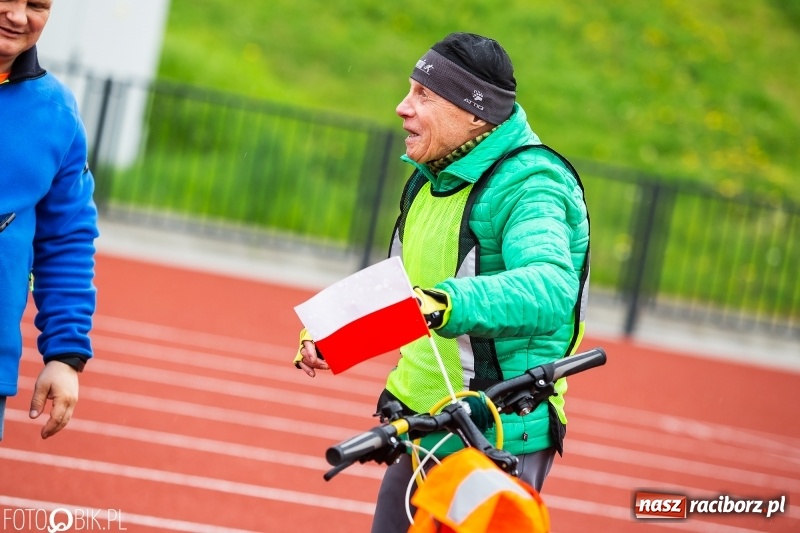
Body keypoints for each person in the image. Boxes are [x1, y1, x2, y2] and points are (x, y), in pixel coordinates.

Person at [295, 32, 589, 532]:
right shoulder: (432, 176)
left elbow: (549, 287)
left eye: (424, 95)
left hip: (492, 433)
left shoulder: (531, 183)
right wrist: (335, 332)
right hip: (422, 423)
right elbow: (409, 290)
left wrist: (445, 303)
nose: (402, 107)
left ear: (475, 113)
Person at [0, 0, 98, 441]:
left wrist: (65, 353)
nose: (19, 16)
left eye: (36, 4)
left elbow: (66, 240)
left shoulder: (57, 113)